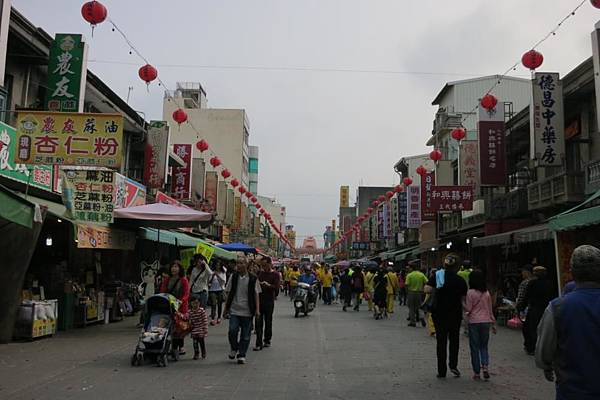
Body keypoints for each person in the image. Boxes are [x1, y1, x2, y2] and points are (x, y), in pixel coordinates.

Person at [536, 245, 600, 400]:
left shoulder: (557, 307)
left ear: (572, 272)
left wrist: (546, 366)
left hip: (573, 390)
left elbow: (544, 350)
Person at [425, 254, 468, 378]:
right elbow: (464, 299)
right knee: (454, 341)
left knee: (441, 342)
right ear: (457, 266)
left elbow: (426, 289)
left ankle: (441, 370)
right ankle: (453, 365)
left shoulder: (437, 276)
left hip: (439, 314)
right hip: (455, 315)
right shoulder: (460, 280)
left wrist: (437, 289)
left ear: (444, 264)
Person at [224, 261, 261, 364]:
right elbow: (228, 292)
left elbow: (256, 294)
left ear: (246, 265)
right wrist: (225, 308)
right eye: (238, 263)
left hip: (247, 310)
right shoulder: (234, 277)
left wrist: (257, 310)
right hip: (234, 309)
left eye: (241, 263)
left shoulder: (253, 278)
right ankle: (234, 347)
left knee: (245, 334)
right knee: (232, 330)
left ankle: (242, 354)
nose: (238, 265)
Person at [465, 270, 497, 381]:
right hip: (485, 322)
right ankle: (485, 367)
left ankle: (477, 372)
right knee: (484, 346)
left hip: (474, 322)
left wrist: (464, 308)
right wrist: (493, 323)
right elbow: (490, 309)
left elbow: (469, 309)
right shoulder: (486, 293)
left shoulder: (470, 293)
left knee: (474, 347)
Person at [520, 266, 555, 355]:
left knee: (530, 328)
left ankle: (532, 348)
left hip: (535, 309)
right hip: (547, 309)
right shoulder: (549, 283)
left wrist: (521, 308)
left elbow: (526, 297)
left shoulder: (532, 283)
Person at [160, 261, 190, 355]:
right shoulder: (167, 280)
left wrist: (181, 301)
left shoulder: (184, 280)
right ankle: (170, 345)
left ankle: (180, 346)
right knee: (169, 325)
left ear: (180, 269)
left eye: (176, 267)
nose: (174, 268)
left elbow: (186, 294)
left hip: (181, 306)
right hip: (169, 305)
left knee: (180, 327)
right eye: (172, 266)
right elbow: (163, 291)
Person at [254, 257, 280, 351]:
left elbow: (276, 287)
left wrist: (269, 285)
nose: (263, 267)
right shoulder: (260, 273)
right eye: (262, 265)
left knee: (268, 321)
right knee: (258, 322)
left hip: (269, 301)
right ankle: (258, 342)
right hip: (259, 301)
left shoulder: (275, 274)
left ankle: (267, 340)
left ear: (270, 264)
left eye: (265, 265)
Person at [405, 261, 428, 327]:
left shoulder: (409, 275)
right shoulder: (421, 274)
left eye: (409, 268)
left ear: (411, 268)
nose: (408, 269)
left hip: (411, 292)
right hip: (419, 293)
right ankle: (422, 317)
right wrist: (423, 289)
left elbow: (406, 284)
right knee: (419, 306)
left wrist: (407, 292)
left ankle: (413, 322)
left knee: (411, 308)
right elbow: (427, 282)